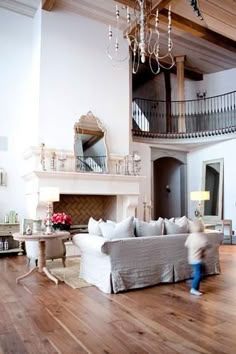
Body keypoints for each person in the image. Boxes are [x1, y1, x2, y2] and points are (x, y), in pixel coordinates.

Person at [185, 220, 209, 296]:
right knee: (199, 274)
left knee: (201, 271)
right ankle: (193, 288)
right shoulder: (201, 236)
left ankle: (193, 280)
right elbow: (205, 244)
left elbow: (186, 244)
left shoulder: (191, 235)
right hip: (197, 259)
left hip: (191, 259)